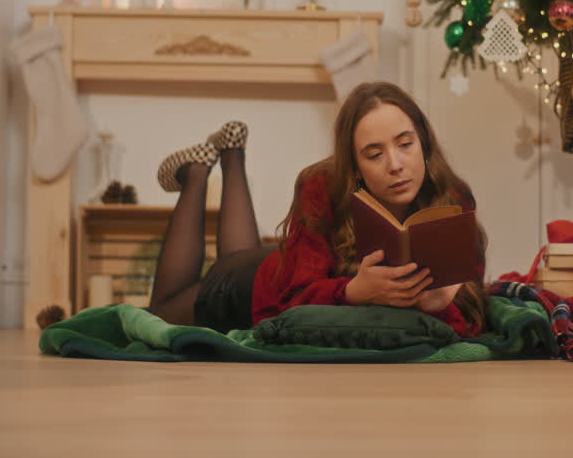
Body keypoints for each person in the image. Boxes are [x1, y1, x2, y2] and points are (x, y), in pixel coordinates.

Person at [146, 81, 487, 337]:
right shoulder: (321, 185)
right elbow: (295, 295)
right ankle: (194, 176)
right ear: (355, 166)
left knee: (238, 251)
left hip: (286, 259)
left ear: (423, 143)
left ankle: (231, 152)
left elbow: (474, 311)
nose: (396, 165)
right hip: (253, 286)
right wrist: (354, 291)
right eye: (374, 154)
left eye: (405, 144)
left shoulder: (453, 198)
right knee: (164, 309)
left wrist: (441, 301)